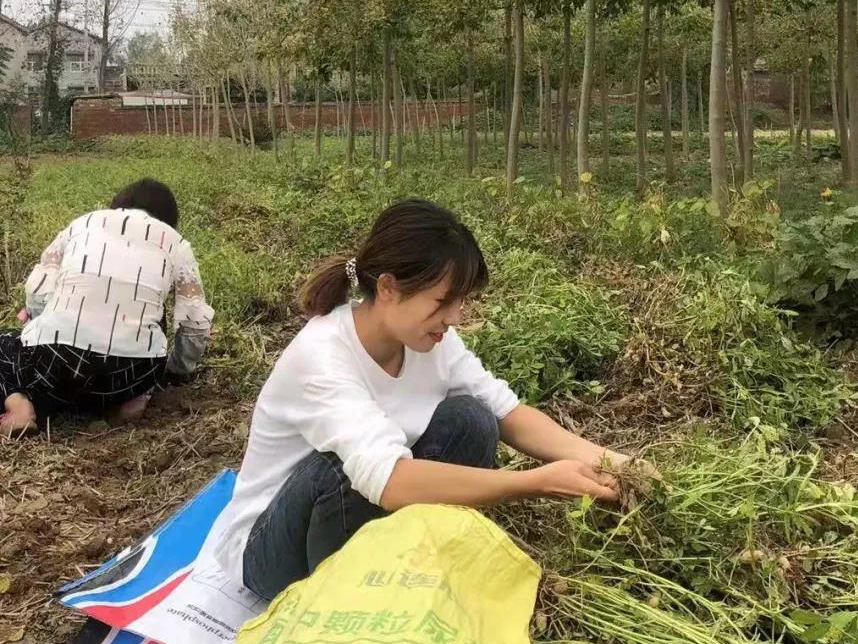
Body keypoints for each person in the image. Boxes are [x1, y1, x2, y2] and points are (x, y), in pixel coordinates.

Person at [211, 198, 640, 602]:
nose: (454, 318)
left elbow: (506, 411)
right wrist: (533, 482)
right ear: (389, 288)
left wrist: (611, 461)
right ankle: (342, 598)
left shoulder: (433, 342)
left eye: (460, 303)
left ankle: (403, 569)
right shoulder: (322, 355)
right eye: (442, 302)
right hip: (272, 550)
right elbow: (390, 481)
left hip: (357, 507)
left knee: (472, 418)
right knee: (340, 469)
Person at [0, 178, 214, 436]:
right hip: (132, 374)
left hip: (55, 364)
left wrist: (39, 327)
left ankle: (20, 403)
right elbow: (195, 322)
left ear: (118, 204)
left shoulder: (82, 224)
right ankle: (130, 402)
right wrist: (177, 371)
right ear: (168, 217)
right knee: (155, 318)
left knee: (7, 347)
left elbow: (38, 289)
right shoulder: (175, 243)